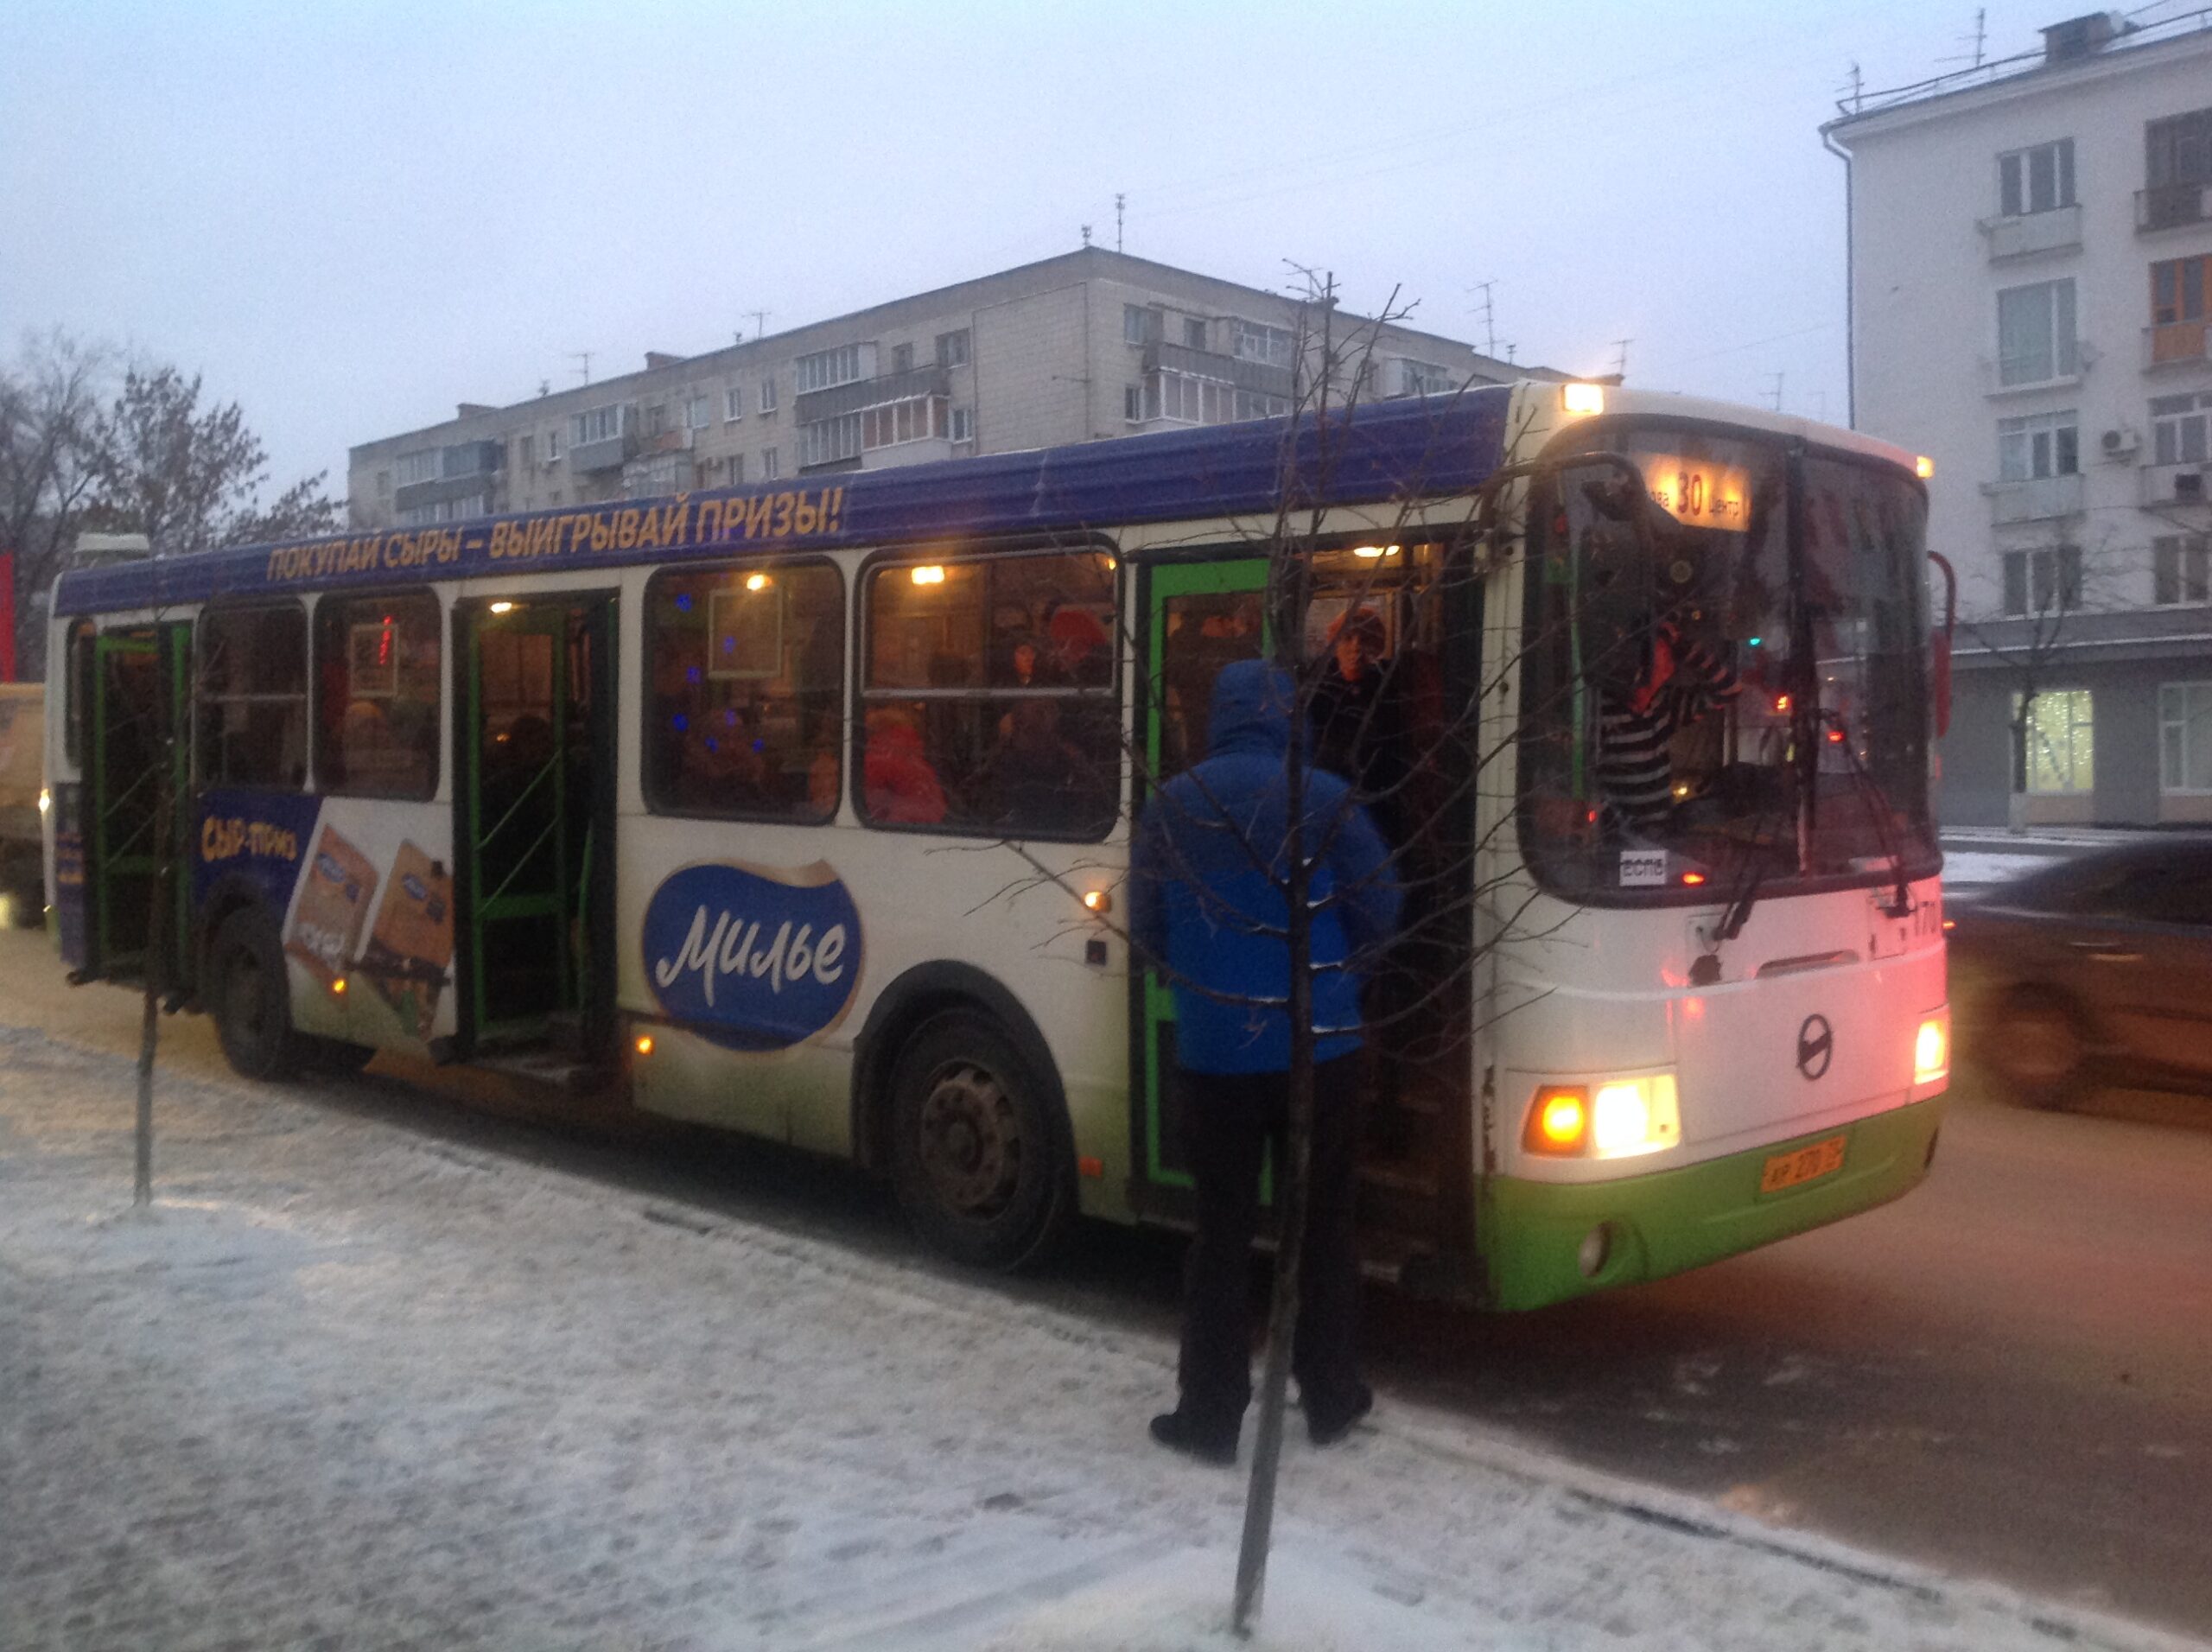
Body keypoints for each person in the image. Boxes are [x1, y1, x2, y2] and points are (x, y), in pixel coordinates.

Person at [1131, 660, 1402, 1465]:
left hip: (1215, 1061)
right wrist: (1341, 979)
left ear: (1219, 715)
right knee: (1320, 1230)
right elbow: (1383, 905)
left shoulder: (1173, 803)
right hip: (1322, 1054)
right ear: (1289, 717)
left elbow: (1145, 924)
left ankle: (1210, 1418)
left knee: (1218, 1237)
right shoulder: (1322, 798)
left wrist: (1204, 989)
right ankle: (1331, 1398)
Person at [1595, 617, 1744, 833]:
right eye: (1663, 655)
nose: (1670, 663)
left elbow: (1730, 691)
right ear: (1642, 662)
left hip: (1662, 831)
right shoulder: (1603, 710)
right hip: (1618, 835)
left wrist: (1683, 646)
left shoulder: (1664, 706)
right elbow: (1587, 780)